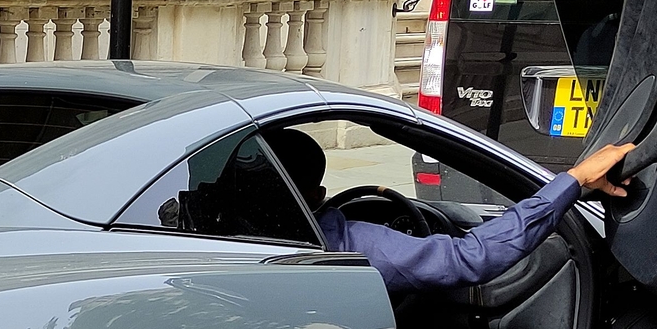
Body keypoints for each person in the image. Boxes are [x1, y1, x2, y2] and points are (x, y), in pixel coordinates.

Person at [262, 126, 636, 294]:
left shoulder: (217, 230)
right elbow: (467, 258)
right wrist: (571, 181)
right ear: (318, 195)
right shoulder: (342, 245)